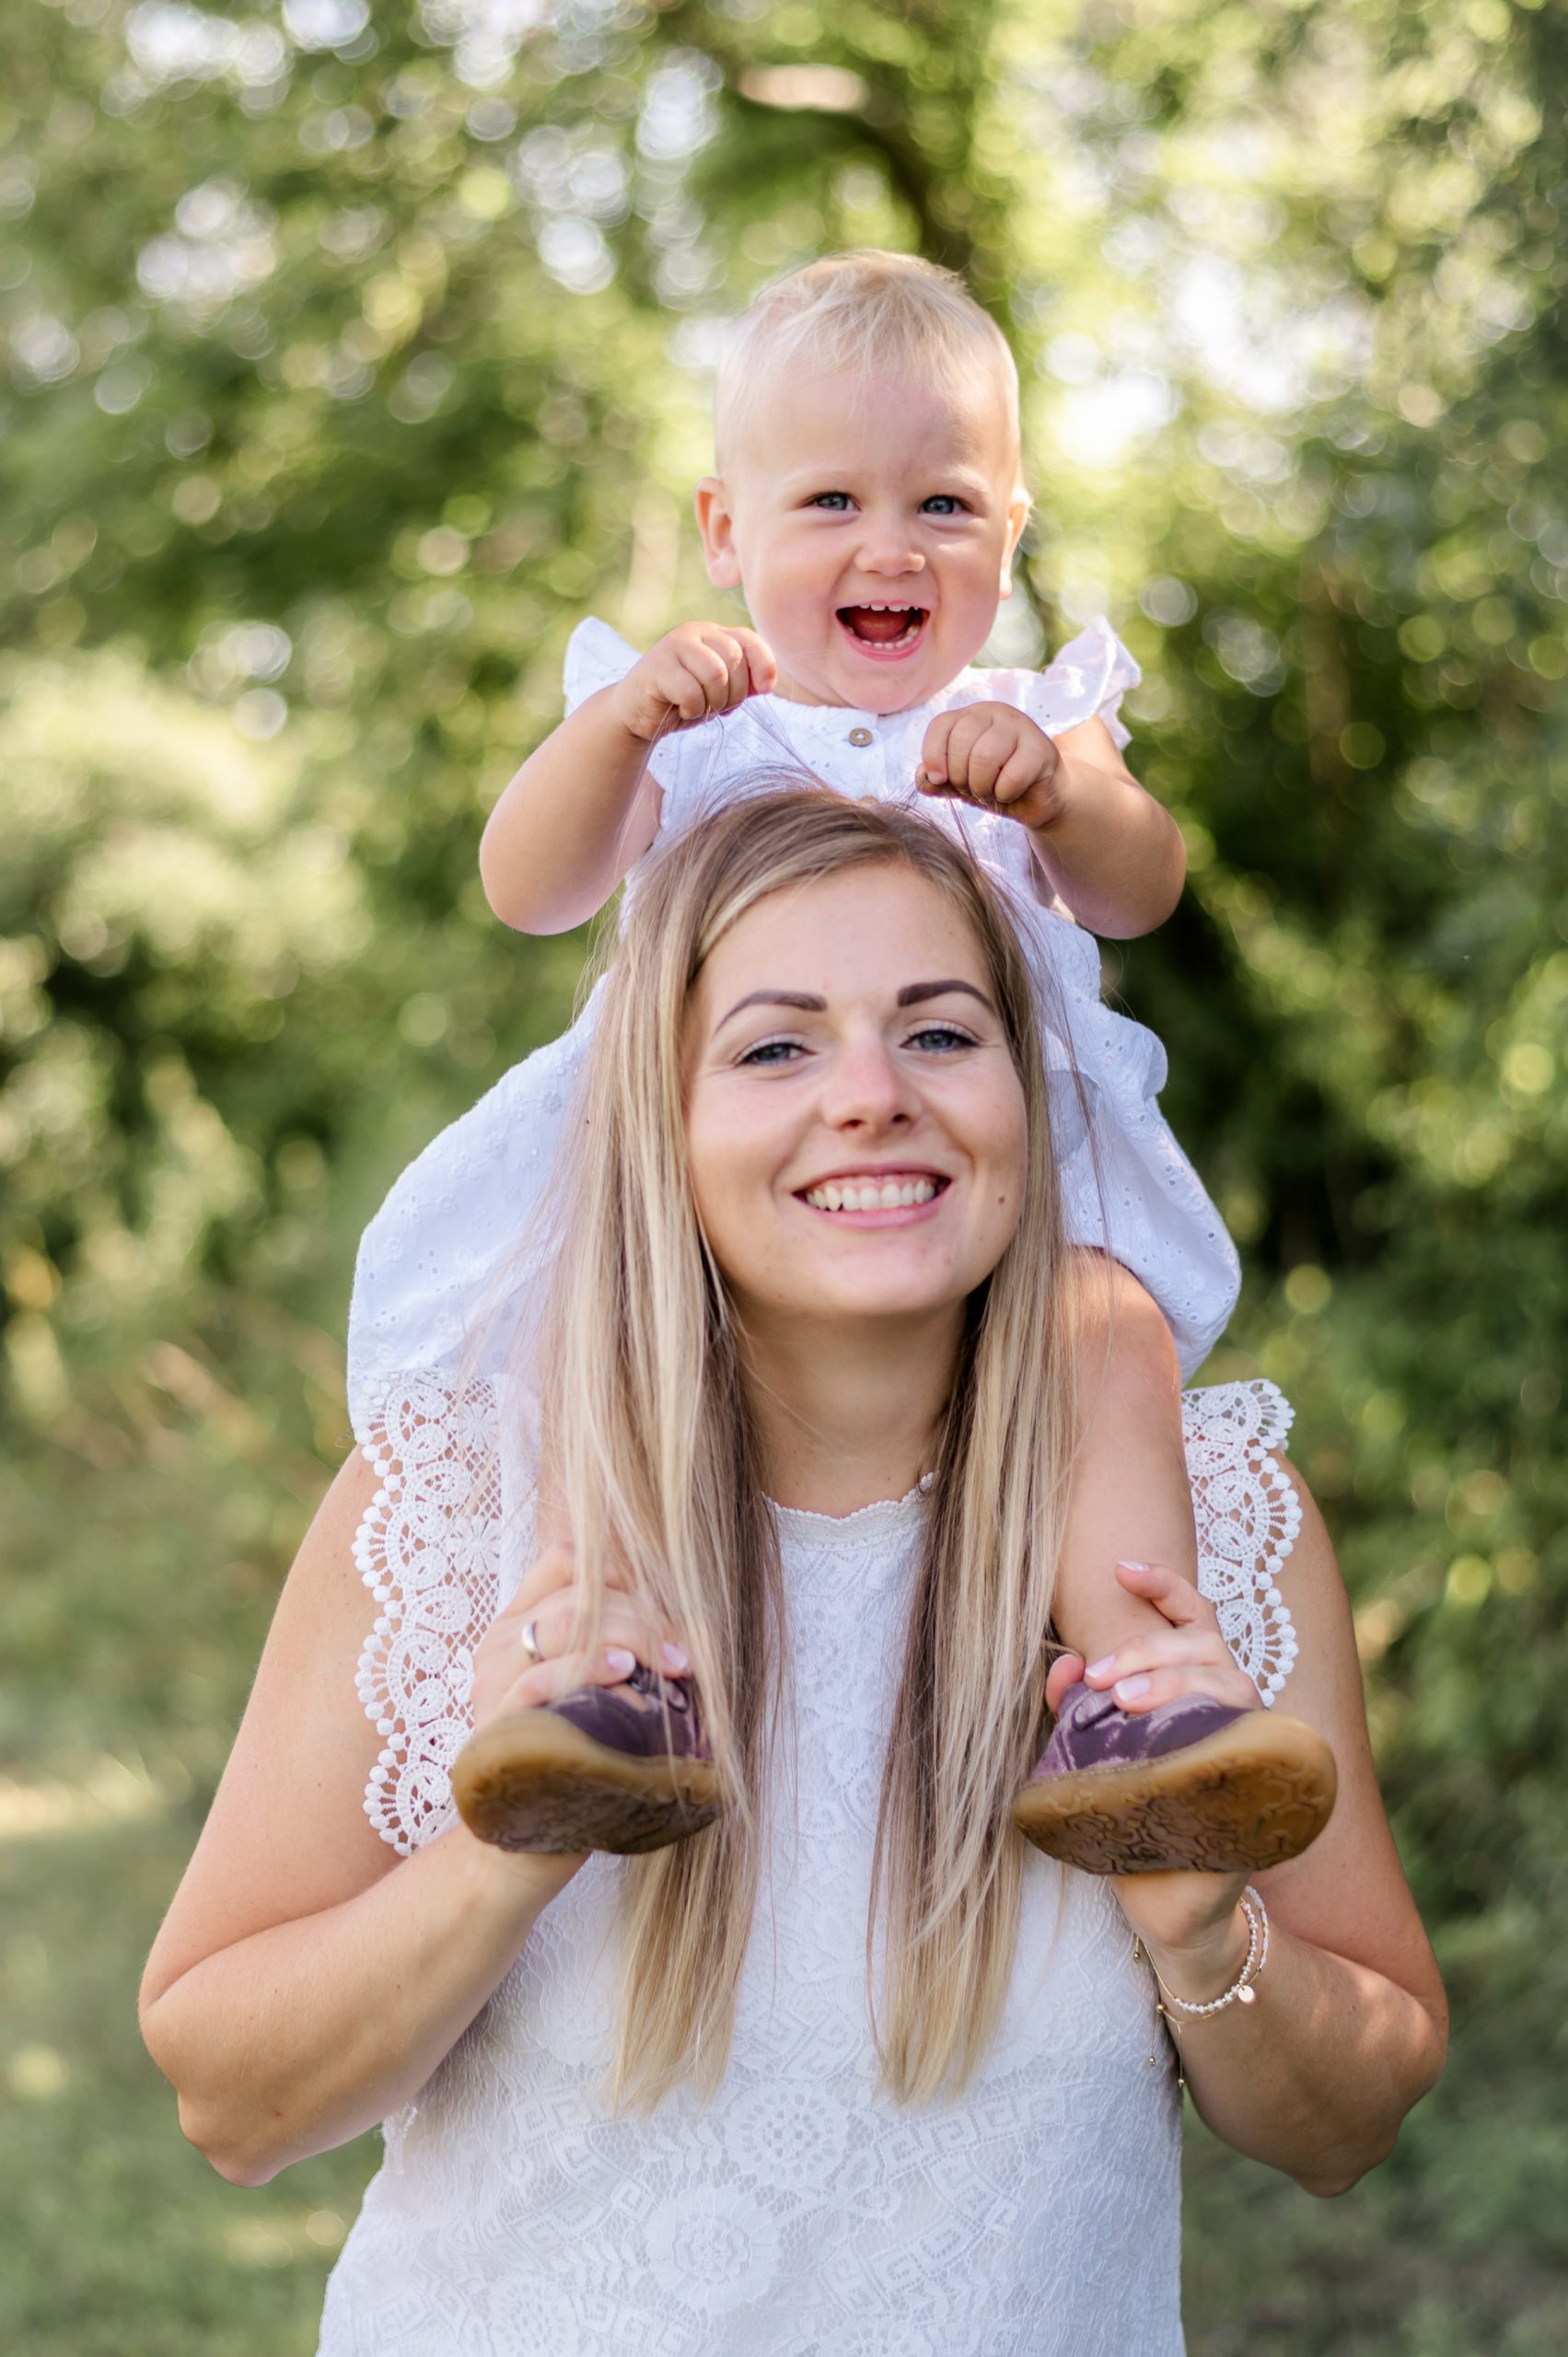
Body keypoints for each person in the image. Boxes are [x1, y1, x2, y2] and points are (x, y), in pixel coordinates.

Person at [141, 791, 1446, 2353]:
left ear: (1029, 1090)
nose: (873, 1097)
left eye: (942, 1034)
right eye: (776, 1048)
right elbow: (230, 2104)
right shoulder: (462, 1505)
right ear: (662, 1116)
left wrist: (1204, 1934)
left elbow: (1349, 2122)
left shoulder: (1198, 1524)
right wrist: (502, 1857)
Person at [348, 249, 1303, 1872]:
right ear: (727, 533)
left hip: (995, 1196)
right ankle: (598, 1666)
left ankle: (1143, 1696)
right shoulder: (701, 728)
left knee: (1112, 1333)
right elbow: (530, 889)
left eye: (944, 505)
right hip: (704, 1200)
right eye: (832, 503)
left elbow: (1143, 888)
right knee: (600, 1327)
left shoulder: (1038, 719)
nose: (890, 545)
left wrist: (1063, 798)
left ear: (1012, 531)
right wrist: (618, 730)